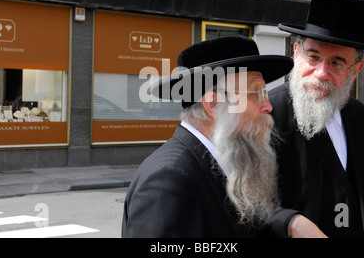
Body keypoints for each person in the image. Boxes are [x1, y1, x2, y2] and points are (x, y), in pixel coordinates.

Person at [122, 36, 326, 238]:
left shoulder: (221, 162)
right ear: (213, 104)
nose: (268, 106)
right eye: (256, 93)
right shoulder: (169, 180)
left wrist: (291, 223)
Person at [269, 0, 364, 238]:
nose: (322, 73)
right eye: (313, 56)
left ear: (355, 70)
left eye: (336, 62)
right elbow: (242, 204)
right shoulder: (266, 114)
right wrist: (289, 222)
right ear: (295, 53)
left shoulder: (362, 118)